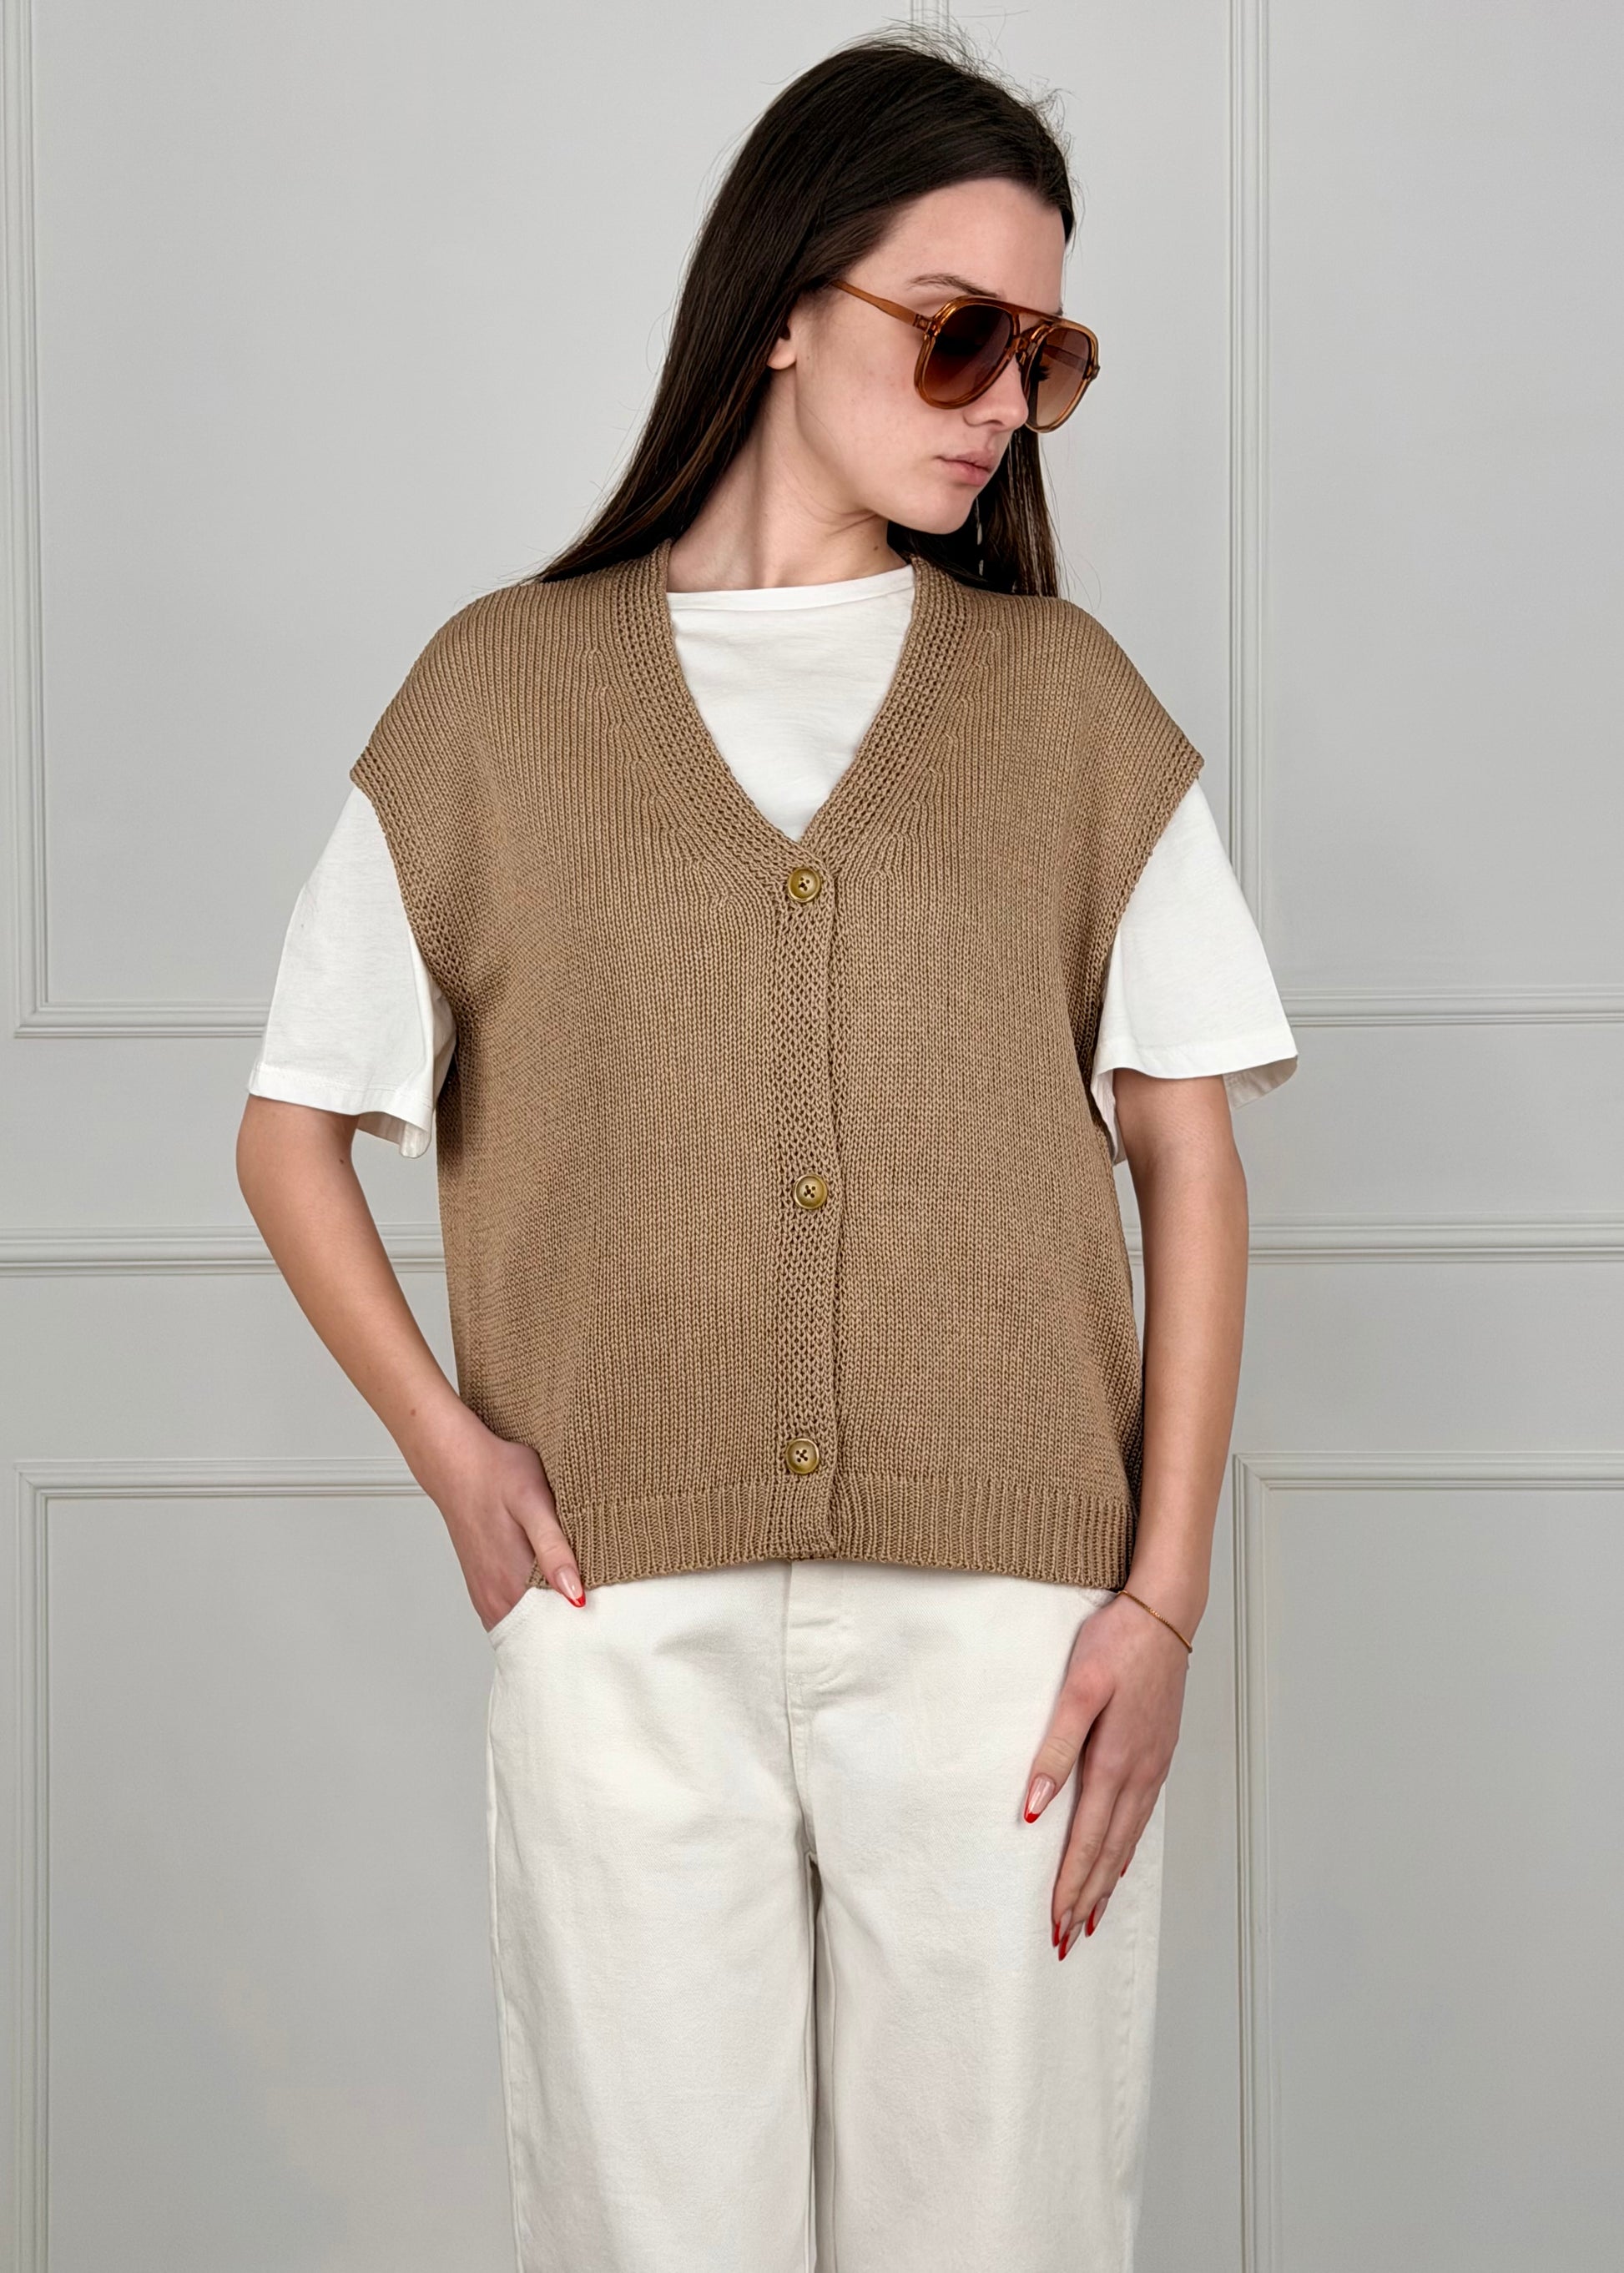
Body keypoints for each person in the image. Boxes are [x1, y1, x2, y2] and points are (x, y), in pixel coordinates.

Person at [236, 28, 1296, 2273]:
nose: (1004, 401)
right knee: (655, 2227)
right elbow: (289, 1129)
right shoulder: (502, 696)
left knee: (993, 2228)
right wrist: (451, 1454)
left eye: (1048, 359)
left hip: (1011, 1633)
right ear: (788, 302)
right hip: (622, 1615)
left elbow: (1185, 1161)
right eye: (961, 330)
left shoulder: (1065, 705)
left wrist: (1162, 1596)